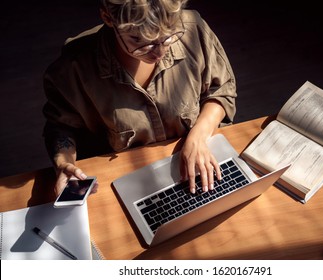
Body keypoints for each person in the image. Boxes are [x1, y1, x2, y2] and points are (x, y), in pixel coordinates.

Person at [42, 0, 237, 197]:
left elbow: (221, 88)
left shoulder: (192, 28)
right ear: (108, 18)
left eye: (169, 36)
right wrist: (64, 164)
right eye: (141, 42)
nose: (160, 52)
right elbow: (61, 127)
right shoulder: (74, 67)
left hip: (200, 164)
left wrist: (199, 136)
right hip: (129, 184)